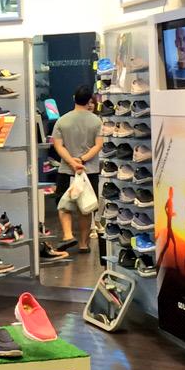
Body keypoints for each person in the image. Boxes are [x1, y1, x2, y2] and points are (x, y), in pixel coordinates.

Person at [51, 85, 103, 253]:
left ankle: (68, 235)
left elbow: (58, 146)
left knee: (63, 204)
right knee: (85, 207)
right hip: (89, 170)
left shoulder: (62, 120)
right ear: (89, 101)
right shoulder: (96, 121)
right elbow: (98, 145)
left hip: (66, 170)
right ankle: (83, 244)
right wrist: (82, 160)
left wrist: (72, 162)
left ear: (74, 98)